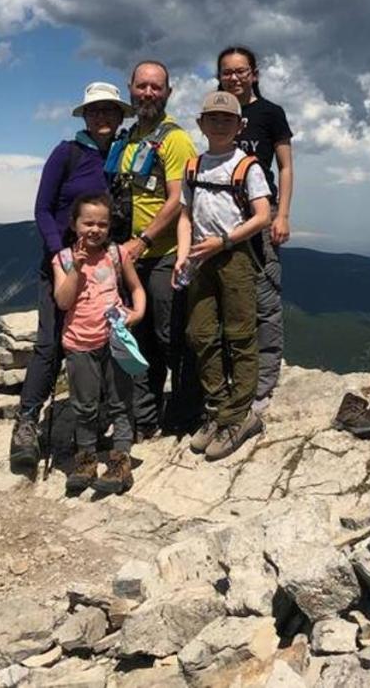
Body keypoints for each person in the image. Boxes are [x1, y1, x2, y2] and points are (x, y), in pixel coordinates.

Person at [10, 82, 133, 477]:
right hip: (62, 262)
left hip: (103, 265)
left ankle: (100, 421)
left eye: (110, 111)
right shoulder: (67, 153)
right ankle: (27, 422)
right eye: (95, 110)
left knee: (103, 341)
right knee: (50, 343)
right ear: (85, 115)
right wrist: (55, 253)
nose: (102, 117)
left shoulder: (124, 155)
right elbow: (43, 208)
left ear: (119, 116)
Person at [174, 90, 273, 460]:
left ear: (239, 125)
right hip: (201, 255)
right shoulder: (192, 166)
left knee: (239, 335)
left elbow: (263, 216)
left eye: (227, 119)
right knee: (199, 334)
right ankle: (217, 409)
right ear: (201, 124)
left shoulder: (247, 166)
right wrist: (184, 256)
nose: (219, 124)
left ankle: (239, 416)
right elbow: (185, 215)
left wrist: (224, 241)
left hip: (234, 257)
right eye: (212, 118)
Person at [105, 60, 201, 437]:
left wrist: (142, 240)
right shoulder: (126, 139)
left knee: (169, 336)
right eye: (142, 86)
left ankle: (185, 411)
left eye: (156, 87)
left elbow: (179, 198)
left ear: (168, 92)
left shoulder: (174, 139)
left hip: (159, 254)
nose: (148, 93)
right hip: (127, 257)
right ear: (130, 87)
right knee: (136, 337)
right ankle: (144, 418)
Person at [216, 45, 294, 413]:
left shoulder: (270, 113)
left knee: (265, 294)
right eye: (228, 72)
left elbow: (285, 166)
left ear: (254, 74)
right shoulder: (220, 112)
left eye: (240, 71)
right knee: (232, 297)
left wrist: (283, 215)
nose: (234, 77)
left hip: (262, 214)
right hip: (226, 216)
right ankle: (239, 374)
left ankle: (264, 382)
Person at [54, 193, 146, 494]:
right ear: (74, 224)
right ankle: (86, 459)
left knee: (120, 402)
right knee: (84, 406)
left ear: (109, 227)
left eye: (102, 224)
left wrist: (138, 312)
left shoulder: (117, 254)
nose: (95, 229)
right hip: (79, 343)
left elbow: (135, 287)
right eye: (88, 223)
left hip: (114, 339)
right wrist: (76, 270)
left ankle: (120, 462)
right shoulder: (64, 259)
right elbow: (63, 301)